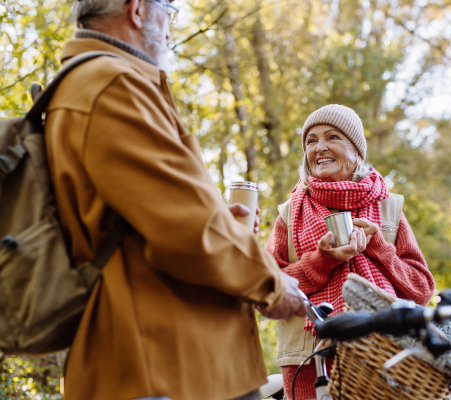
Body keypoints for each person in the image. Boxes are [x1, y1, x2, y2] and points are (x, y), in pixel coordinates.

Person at [44, 1, 304, 399]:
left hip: (172, 358)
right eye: (168, 9)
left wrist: (218, 216)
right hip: (164, 364)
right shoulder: (114, 84)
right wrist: (269, 283)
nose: (170, 27)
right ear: (136, 10)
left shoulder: (97, 82)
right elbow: (183, 228)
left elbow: (151, 211)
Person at [265, 104, 436, 399]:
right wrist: (323, 261)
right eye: (311, 141)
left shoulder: (388, 208)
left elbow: (421, 289)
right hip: (308, 359)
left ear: (356, 151)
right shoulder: (290, 213)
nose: (320, 147)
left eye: (332, 137)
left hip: (384, 356)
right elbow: (266, 290)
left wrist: (379, 248)